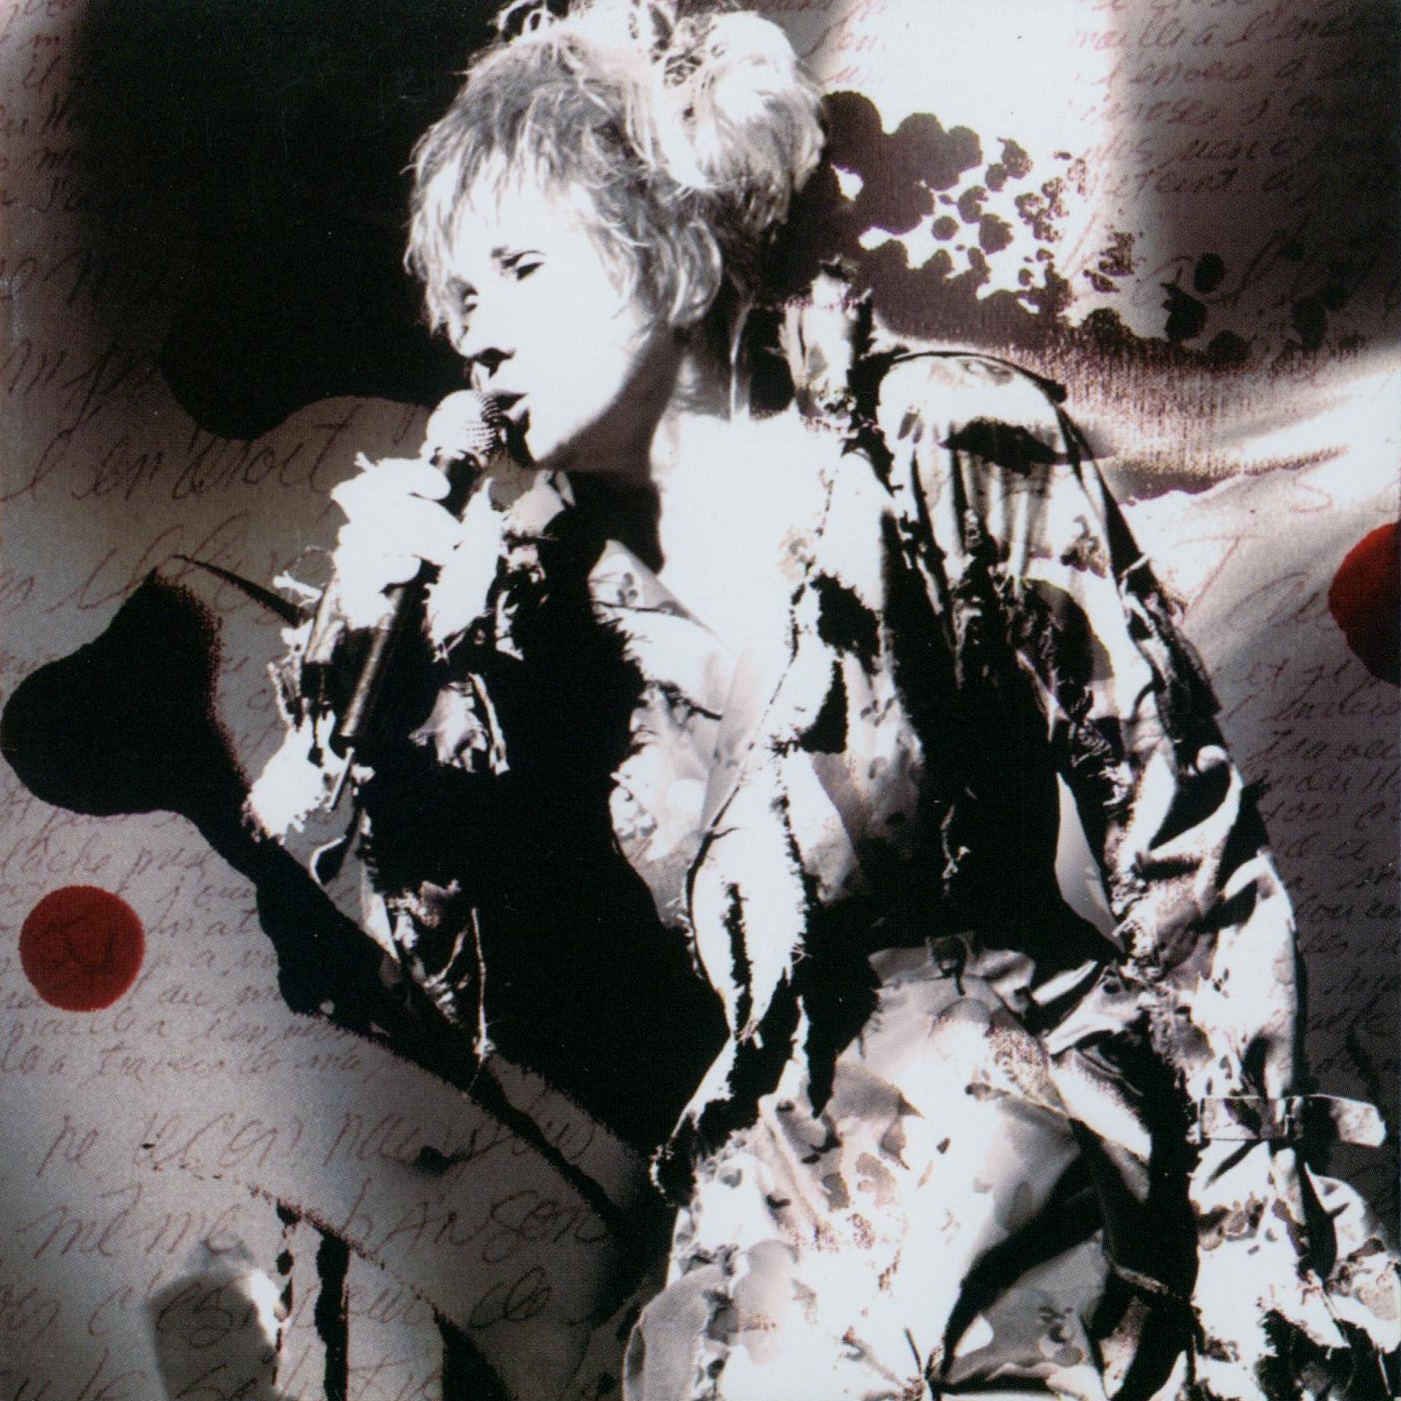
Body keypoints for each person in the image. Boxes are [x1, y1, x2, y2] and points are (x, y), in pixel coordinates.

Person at [247, 1, 1401, 1396]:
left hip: (1041, 1175)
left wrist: (1243, 1214)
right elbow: (521, 999)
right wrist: (392, 735)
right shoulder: (533, 624)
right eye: (459, 298)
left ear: (666, 242)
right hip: (784, 1230)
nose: (475, 335)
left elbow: (1182, 845)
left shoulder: (932, 445)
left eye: (520, 268)